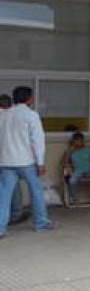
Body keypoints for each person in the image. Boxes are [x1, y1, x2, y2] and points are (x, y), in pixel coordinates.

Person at [0, 86, 56, 237]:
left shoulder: (3, 115)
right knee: (36, 192)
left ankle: (0, 228)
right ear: (29, 99)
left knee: (4, 196)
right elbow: (38, 140)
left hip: (6, 162)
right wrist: (41, 162)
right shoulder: (31, 115)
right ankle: (40, 222)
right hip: (26, 162)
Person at [0, 95, 29, 226]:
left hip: (5, 158)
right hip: (9, 159)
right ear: (10, 104)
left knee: (5, 190)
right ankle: (15, 214)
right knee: (13, 189)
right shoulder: (12, 117)